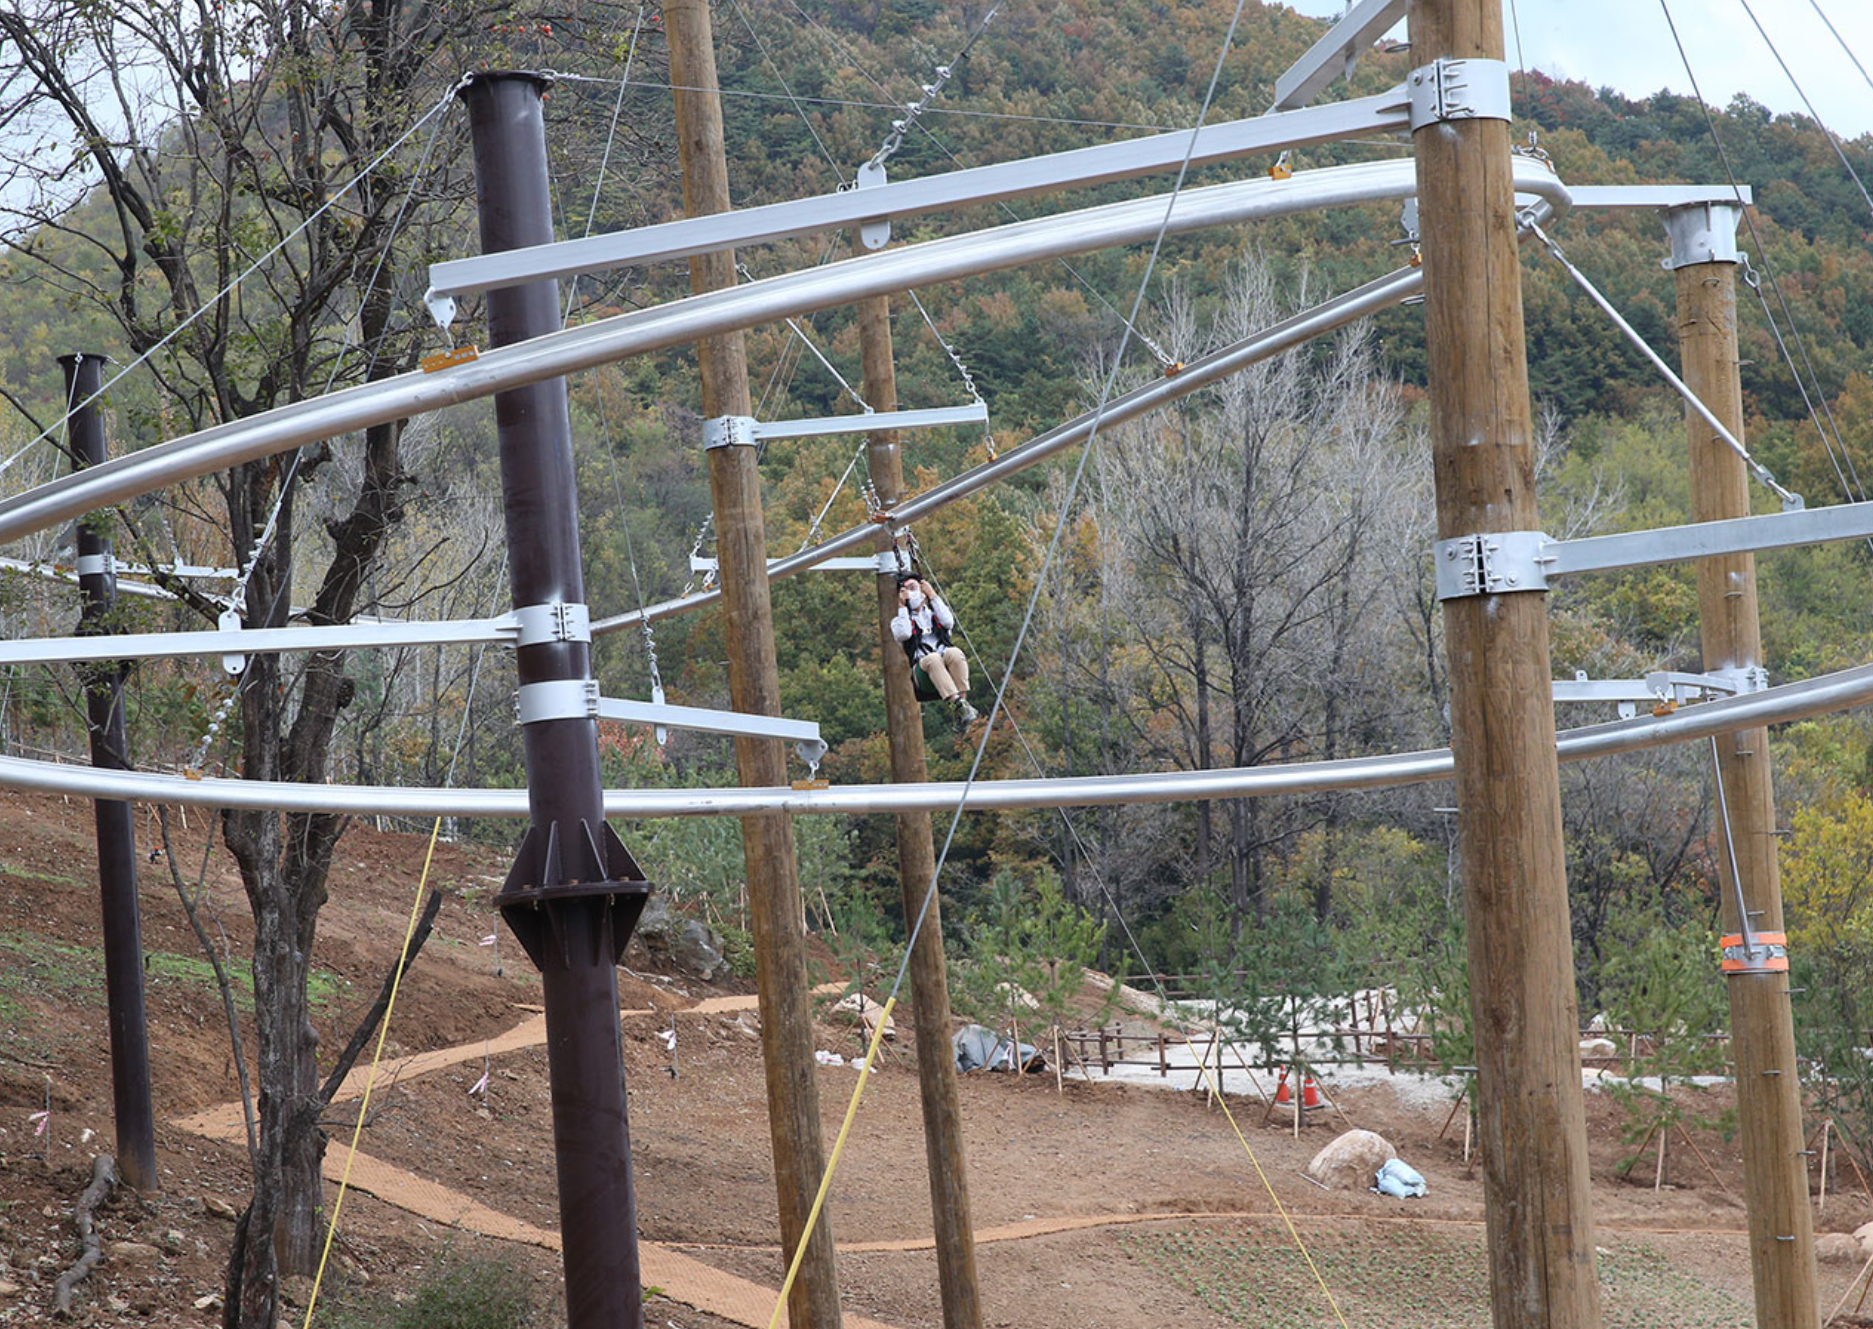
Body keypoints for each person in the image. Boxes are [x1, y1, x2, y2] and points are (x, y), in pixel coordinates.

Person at [889, 576, 979, 730]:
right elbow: (904, 634)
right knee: (933, 658)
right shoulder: (900, 620)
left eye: (912, 588)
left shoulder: (935, 615)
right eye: (904, 590)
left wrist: (933, 595)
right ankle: (957, 704)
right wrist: (902, 605)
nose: (910, 593)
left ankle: (961, 706)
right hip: (924, 671)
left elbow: (949, 622)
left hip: (945, 668)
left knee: (955, 652)